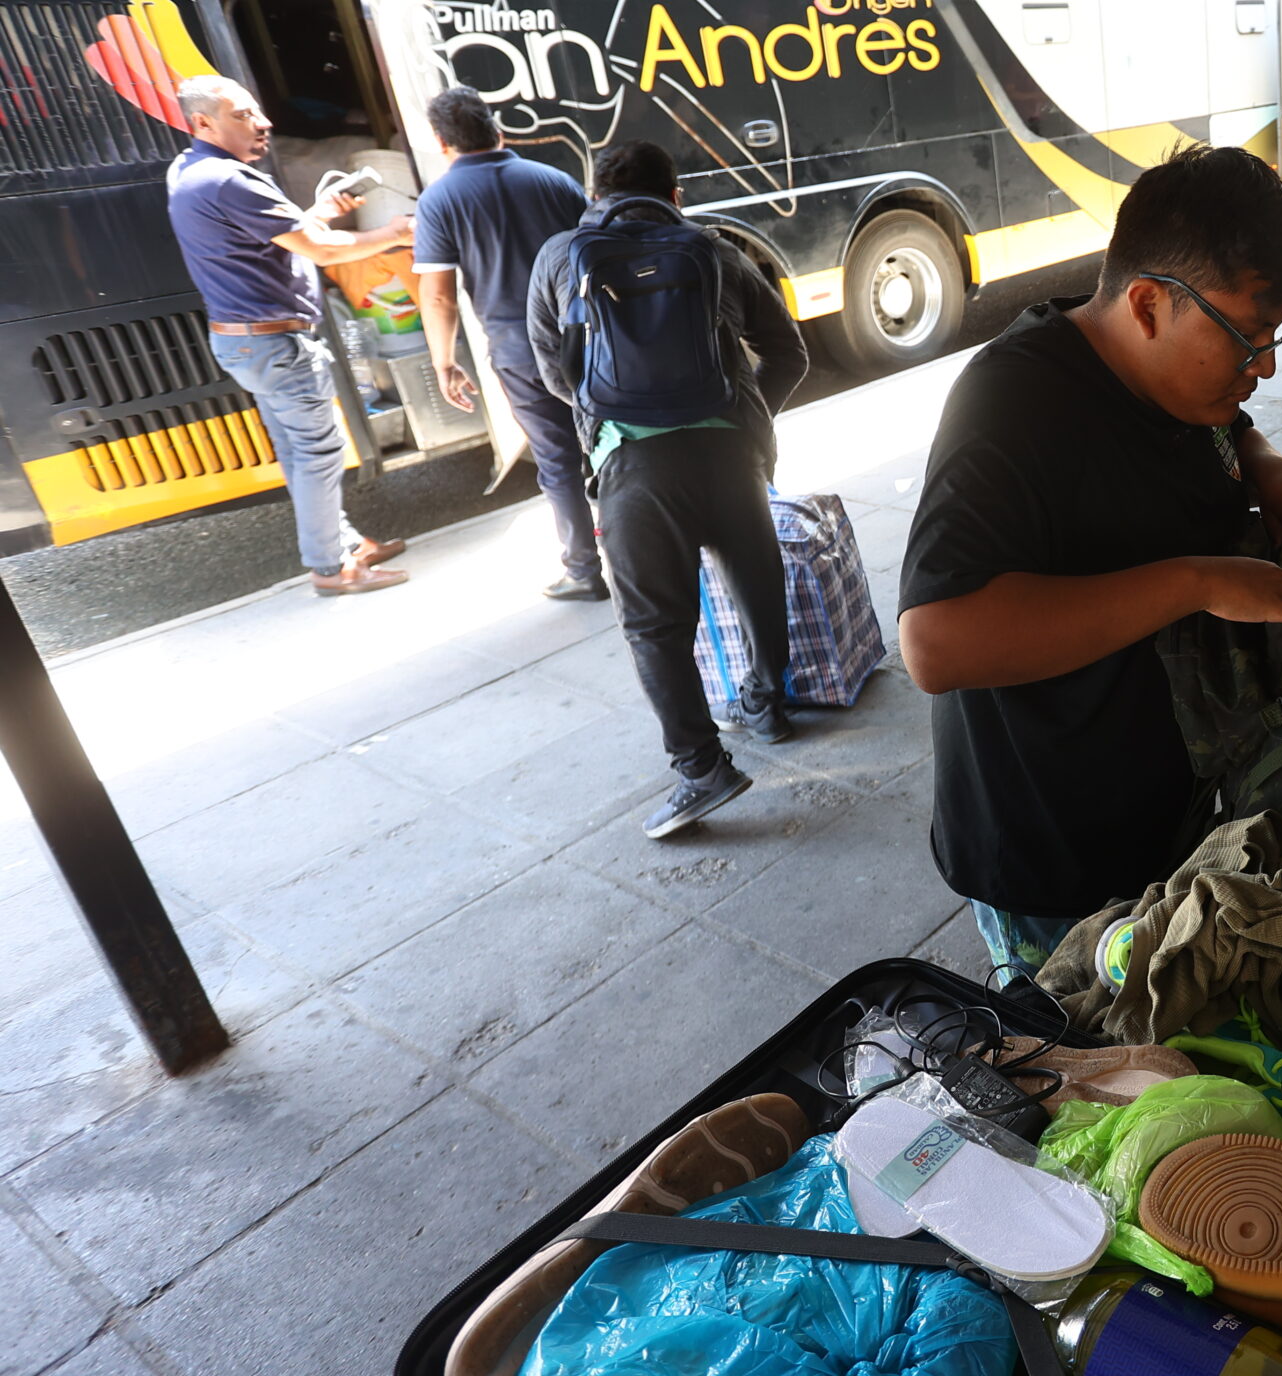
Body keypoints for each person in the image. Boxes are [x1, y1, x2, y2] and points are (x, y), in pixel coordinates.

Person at [898, 145, 1282, 984]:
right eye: (1246, 338)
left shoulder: (1178, 379)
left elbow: (1216, 432)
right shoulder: (1013, 404)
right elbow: (936, 640)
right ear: (1147, 304)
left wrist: (1267, 461)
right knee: (1083, 1054)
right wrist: (1201, 578)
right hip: (1050, 852)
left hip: (1163, 810)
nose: (1266, 365)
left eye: (1272, 335)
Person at [526, 141, 810, 838]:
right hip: (728, 451)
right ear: (674, 193)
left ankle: (703, 769)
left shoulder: (560, 257)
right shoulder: (712, 249)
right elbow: (789, 352)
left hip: (632, 466)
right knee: (756, 578)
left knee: (656, 624)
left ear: (594, 196)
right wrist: (747, 421)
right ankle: (768, 704)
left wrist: (616, 414)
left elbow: (556, 375)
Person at [165, 76, 416, 596]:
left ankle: (343, 546)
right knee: (319, 453)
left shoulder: (190, 172)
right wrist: (394, 233)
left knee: (302, 455)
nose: (263, 123)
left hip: (246, 341)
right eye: (243, 116)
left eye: (257, 112)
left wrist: (320, 212)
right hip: (276, 342)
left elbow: (276, 239)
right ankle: (332, 568)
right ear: (203, 123)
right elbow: (320, 252)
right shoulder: (230, 181)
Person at [408, 87, 603, 602]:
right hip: (588, 336)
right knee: (614, 438)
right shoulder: (553, 180)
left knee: (557, 458)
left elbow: (439, 296)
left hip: (521, 352)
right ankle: (645, 546)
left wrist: (444, 362)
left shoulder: (439, 201)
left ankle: (584, 569)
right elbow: (595, 252)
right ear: (499, 129)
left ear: (440, 141)